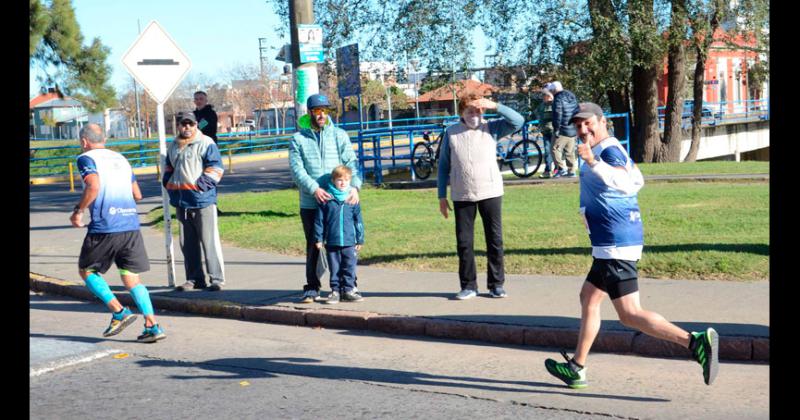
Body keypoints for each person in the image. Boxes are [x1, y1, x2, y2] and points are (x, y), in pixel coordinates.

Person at [543, 102, 719, 389]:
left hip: (615, 243)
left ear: (601, 122)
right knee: (589, 297)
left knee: (629, 314)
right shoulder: (603, 150)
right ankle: (577, 367)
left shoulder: (607, 150)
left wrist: (592, 162)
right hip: (609, 243)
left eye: (588, 123)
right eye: (578, 125)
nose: (583, 129)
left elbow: (631, 183)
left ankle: (695, 342)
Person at [70, 124, 166, 343]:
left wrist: (79, 211)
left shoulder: (86, 158)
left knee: (87, 270)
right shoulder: (121, 159)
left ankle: (119, 311)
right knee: (132, 279)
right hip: (130, 225)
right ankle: (152, 325)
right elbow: (137, 194)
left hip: (106, 226)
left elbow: (93, 186)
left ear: (84, 141)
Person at [437, 93, 524, 300]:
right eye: (469, 111)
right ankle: (468, 285)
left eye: (477, 111)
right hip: (462, 194)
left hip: (490, 192)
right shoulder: (451, 133)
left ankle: (496, 284)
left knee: (494, 239)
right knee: (464, 242)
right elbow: (442, 167)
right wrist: (441, 196)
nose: (473, 115)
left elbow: (518, 121)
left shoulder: (492, 128)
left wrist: (495, 105)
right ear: (461, 113)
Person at [289, 94, 363, 303]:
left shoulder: (339, 135)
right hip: (312, 203)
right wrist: (314, 189)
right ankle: (312, 287)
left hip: (340, 203)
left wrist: (355, 187)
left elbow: (351, 163)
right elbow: (296, 169)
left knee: (344, 245)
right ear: (310, 112)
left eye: (325, 110)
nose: (321, 115)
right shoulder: (298, 139)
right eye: (316, 111)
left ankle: (349, 286)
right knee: (315, 243)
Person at [163, 110, 226, 292]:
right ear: (178, 126)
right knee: (187, 244)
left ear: (196, 125)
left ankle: (217, 279)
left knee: (209, 241)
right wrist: (168, 182)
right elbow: (169, 166)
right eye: (184, 124)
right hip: (181, 202)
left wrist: (200, 186)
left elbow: (216, 168)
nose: (187, 127)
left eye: (191, 124)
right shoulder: (173, 145)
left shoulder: (206, 143)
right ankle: (194, 279)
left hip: (202, 201)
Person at [313, 165, 365, 304]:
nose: (343, 183)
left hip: (349, 242)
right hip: (332, 242)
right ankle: (335, 291)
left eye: (346, 180)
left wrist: (359, 239)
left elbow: (358, 220)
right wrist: (318, 238)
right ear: (333, 180)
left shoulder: (352, 199)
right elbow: (320, 221)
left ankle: (349, 290)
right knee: (334, 268)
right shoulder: (326, 199)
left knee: (349, 267)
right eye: (340, 180)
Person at [546, 81, 579, 178]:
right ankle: (572, 171)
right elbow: (576, 110)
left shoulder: (558, 98)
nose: (551, 93)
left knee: (554, 149)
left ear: (554, 90)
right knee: (570, 151)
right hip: (572, 127)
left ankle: (561, 169)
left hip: (562, 129)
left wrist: (556, 128)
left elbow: (557, 114)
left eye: (551, 91)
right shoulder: (571, 95)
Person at [534, 88, 555, 178]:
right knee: (547, 151)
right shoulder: (541, 106)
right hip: (545, 132)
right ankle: (548, 170)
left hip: (554, 132)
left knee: (556, 152)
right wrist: (524, 120)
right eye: (543, 95)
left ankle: (559, 169)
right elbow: (534, 114)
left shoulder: (555, 105)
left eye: (545, 95)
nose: (543, 97)